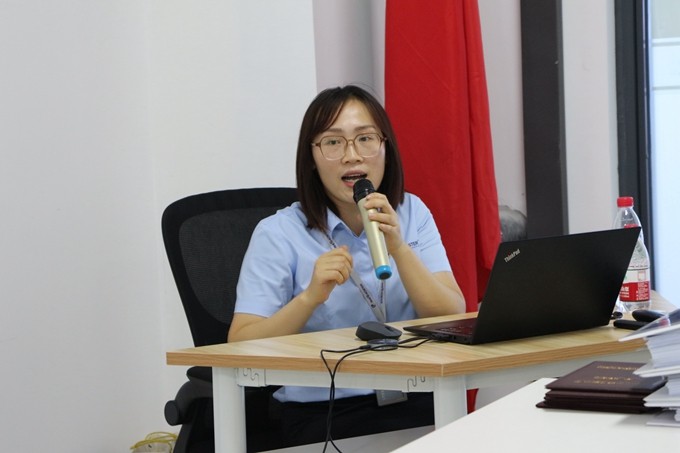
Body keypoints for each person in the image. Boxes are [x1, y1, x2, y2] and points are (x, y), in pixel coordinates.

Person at [228, 85, 465, 446]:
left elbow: (450, 314)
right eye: (333, 142)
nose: (352, 156)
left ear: (385, 148)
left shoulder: (412, 213)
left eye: (365, 139)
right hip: (325, 413)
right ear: (311, 157)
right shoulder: (278, 233)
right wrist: (309, 298)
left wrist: (398, 247)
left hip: (419, 399)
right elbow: (240, 344)